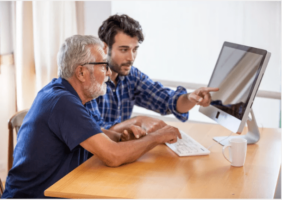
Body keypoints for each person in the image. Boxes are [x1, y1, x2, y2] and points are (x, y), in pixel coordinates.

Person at [2, 35, 181, 198]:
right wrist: (158, 137)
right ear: (81, 73)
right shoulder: (63, 102)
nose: (109, 73)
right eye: (104, 66)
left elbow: (89, 133)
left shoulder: (65, 94)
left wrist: (119, 136)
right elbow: (113, 156)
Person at [85, 14, 219, 136]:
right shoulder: (88, 80)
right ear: (104, 48)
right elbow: (95, 133)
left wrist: (191, 98)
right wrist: (138, 121)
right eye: (124, 50)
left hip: (120, 152)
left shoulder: (131, 76)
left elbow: (167, 101)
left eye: (135, 50)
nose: (131, 58)